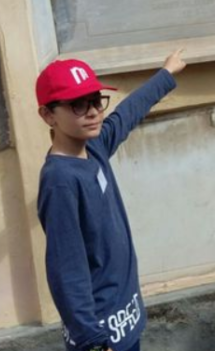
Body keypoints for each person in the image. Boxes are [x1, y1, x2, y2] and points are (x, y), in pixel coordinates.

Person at [35, 49, 186, 351]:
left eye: (95, 100)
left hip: (124, 319)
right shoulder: (60, 181)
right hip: (101, 335)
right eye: (78, 104)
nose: (93, 112)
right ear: (48, 115)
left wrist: (165, 74)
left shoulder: (94, 147)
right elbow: (66, 270)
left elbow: (126, 113)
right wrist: (92, 341)